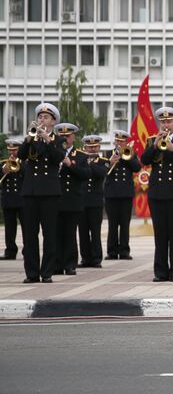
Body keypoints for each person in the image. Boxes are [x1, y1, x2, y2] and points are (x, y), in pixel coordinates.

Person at [140, 107, 173, 282]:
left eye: (169, 121)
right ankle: (160, 271)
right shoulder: (152, 140)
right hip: (157, 194)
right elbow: (144, 160)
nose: (166, 125)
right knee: (160, 235)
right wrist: (155, 146)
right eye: (163, 122)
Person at [18, 103, 65, 283]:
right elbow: (21, 156)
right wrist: (28, 140)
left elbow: (57, 158)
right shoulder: (31, 139)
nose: (41, 120)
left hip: (50, 193)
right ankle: (31, 273)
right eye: (40, 117)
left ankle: (46, 273)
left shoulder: (58, 140)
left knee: (49, 234)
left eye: (46, 117)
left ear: (53, 121)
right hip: (30, 192)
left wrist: (48, 140)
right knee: (29, 235)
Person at [54, 123, 91, 276]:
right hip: (56, 199)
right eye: (62, 136)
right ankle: (56, 264)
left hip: (73, 200)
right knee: (56, 234)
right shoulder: (53, 153)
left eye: (68, 136)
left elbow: (85, 175)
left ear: (73, 137)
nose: (65, 139)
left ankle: (70, 264)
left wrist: (70, 165)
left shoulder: (81, 155)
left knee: (70, 234)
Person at [103, 130, 141, 260]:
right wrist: (111, 162)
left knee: (125, 223)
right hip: (111, 194)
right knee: (112, 224)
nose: (119, 143)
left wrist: (127, 157)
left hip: (125, 193)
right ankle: (112, 251)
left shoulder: (131, 154)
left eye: (122, 141)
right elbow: (103, 172)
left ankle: (124, 251)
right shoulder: (108, 154)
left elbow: (137, 168)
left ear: (126, 142)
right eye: (117, 141)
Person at [80, 135, 109, 268]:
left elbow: (102, 173)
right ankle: (85, 258)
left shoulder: (103, 161)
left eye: (94, 147)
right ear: (84, 147)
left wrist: (90, 164)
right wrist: (85, 161)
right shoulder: (80, 159)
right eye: (89, 147)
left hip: (96, 201)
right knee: (83, 232)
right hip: (82, 200)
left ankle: (96, 258)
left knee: (95, 231)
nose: (92, 149)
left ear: (99, 147)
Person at [1, 139, 24, 260]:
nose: (12, 153)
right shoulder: (4, 163)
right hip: (8, 200)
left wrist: (19, 167)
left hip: (22, 199)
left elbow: (27, 176)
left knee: (26, 227)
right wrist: (3, 171)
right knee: (9, 227)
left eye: (14, 150)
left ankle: (27, 250)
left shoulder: (25, 162)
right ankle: (10, 251)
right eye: (10, 150)